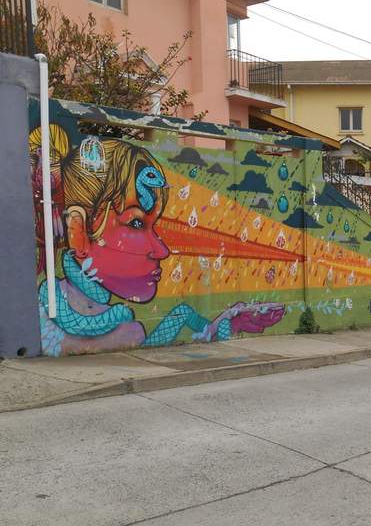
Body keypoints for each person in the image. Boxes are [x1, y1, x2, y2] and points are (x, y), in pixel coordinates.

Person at [30, 126, 284, 356]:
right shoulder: (43, 320)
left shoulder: (126, 327)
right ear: (78, 231)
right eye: (136, 223)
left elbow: (179, 318)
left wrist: (226, 323)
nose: (162, 250)